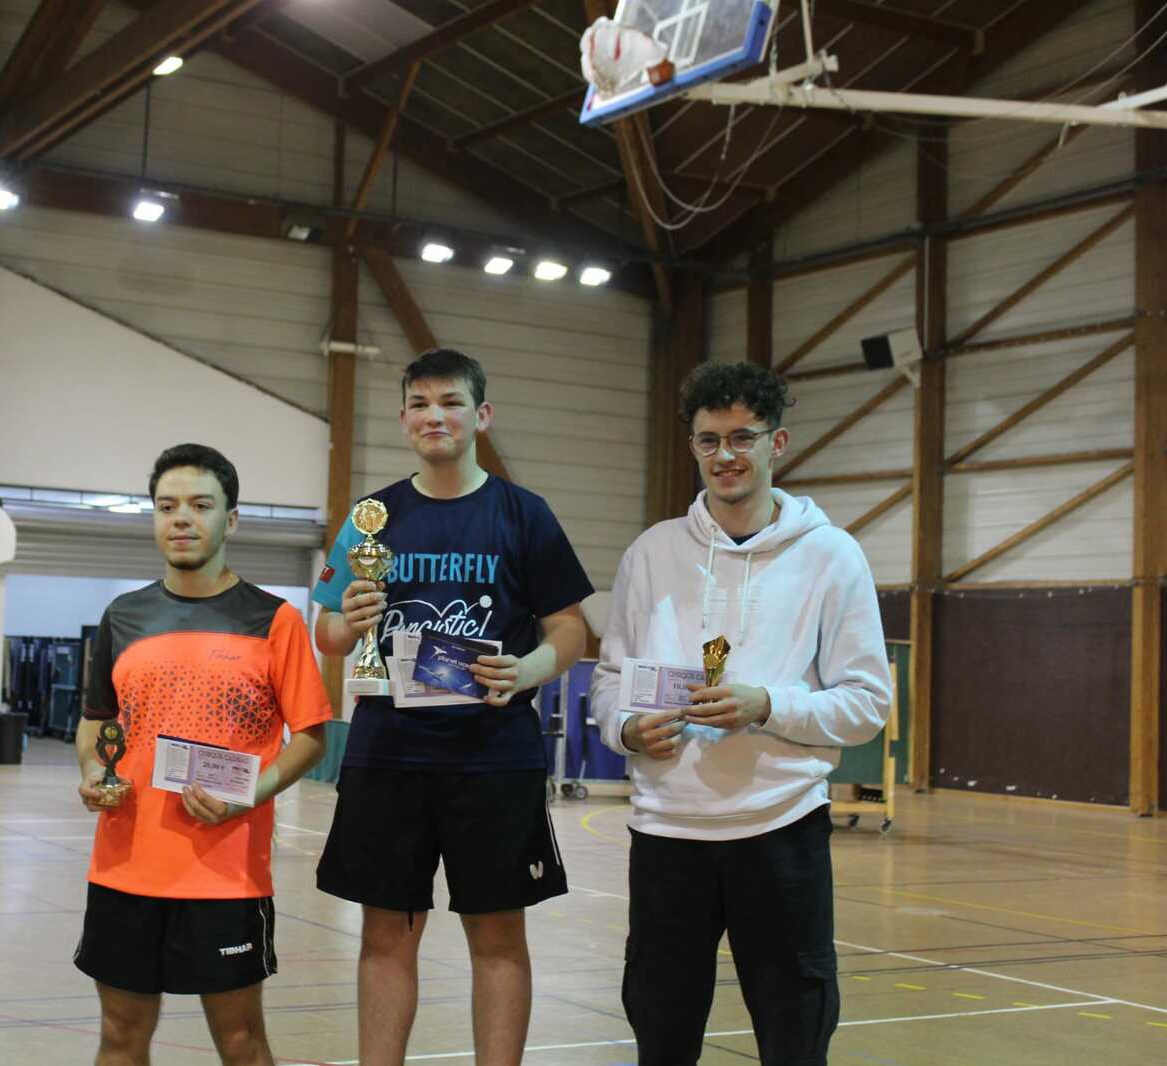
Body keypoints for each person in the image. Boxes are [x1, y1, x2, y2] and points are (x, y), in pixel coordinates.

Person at [591, 361, 892, 1066]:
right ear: (693, 447)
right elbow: (609, 681)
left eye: (742, 438)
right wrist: (626, 729)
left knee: (795, 1041)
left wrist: (768, 705)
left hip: (781, 832)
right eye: (709, 440)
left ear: (776, 443)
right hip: (666, 833)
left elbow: (867, 703)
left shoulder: (833, 556)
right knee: (662, 1041)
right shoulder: (651, 552)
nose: (725, 455)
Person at [312, 348, 593, 1066]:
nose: (434, 416)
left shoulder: (524, 514)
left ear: (481, 415)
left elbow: (571, 629)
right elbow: (328, 633)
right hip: (388, 752)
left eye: (451, 402)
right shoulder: (372, 518)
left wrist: (528, 668)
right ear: (403, 417)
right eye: (420, 403)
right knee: (385, 935)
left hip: (493, 755)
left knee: (497, 937)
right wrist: (348, 617)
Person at [74, 443, 331, 1066]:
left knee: (241, 1042)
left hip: (227, 875)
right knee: (119, 1037)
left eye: (200, 505)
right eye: (167, 506)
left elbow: (311, 736)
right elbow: (97, 721)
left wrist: (249, 794)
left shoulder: (274, 620)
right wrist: (92, 771)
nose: (181, 519)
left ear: (230, 519)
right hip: (125, 868)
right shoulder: (123, 616)